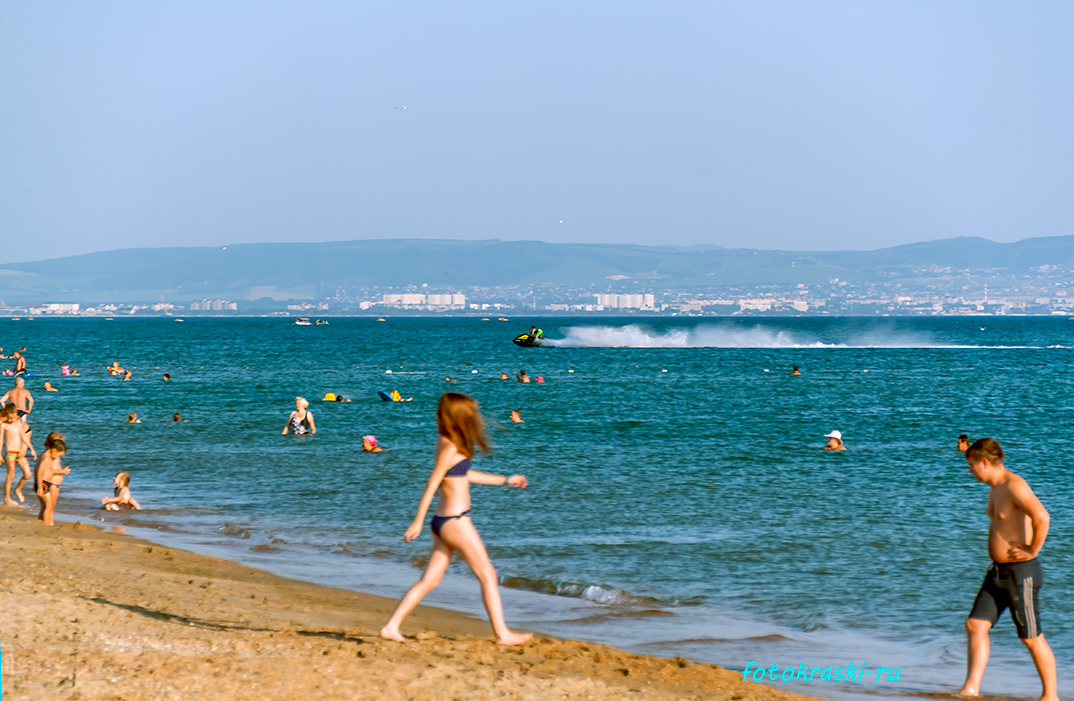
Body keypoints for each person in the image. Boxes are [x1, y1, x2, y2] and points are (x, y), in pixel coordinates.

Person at [380, 393, 531, 646]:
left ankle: (391, 626)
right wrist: (416, 521)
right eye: (473, 412)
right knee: (488, 576)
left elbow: (464, 475)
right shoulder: (450, 446)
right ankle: (503, 634)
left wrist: (505, 480)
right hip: (456, 522)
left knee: (430, 580)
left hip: (442, 524)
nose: (477, 417)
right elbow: (433, 483)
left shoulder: (446, 442)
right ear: (461, 416)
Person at [959, 438, 1057, 701]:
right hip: (998, 572)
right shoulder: (995, 488)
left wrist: (1032, 550)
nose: (970, 471)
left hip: (1021, 573)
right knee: (975, 624)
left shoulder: (1015, 485)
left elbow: (1042, 516)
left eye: (971, 466)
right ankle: (970, 690)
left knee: (1030, 637)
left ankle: (1050, 696)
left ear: (984, 462)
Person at [2, 403, 35, 505]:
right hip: (10, 453)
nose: (11, 420)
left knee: (27, 473)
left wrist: (32, 449)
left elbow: (24, 437)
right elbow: (0, 441)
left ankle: (18, 489)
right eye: (9, 418)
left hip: (19, 453)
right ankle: (7, 498)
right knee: (11, 475)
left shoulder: (18, 423)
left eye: (12, 418)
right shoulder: (3, 425)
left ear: (16, 414)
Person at [36, 438, 69, 526]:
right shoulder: (46, 458)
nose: (58, 457)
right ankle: (46, 525)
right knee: (49, 506)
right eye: (59, 455)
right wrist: (39, 487)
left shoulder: (48, 456)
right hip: (42, 484)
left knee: (45, 506)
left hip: (45, 484)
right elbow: (39, 472)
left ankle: (41, 522)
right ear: (54, 450)